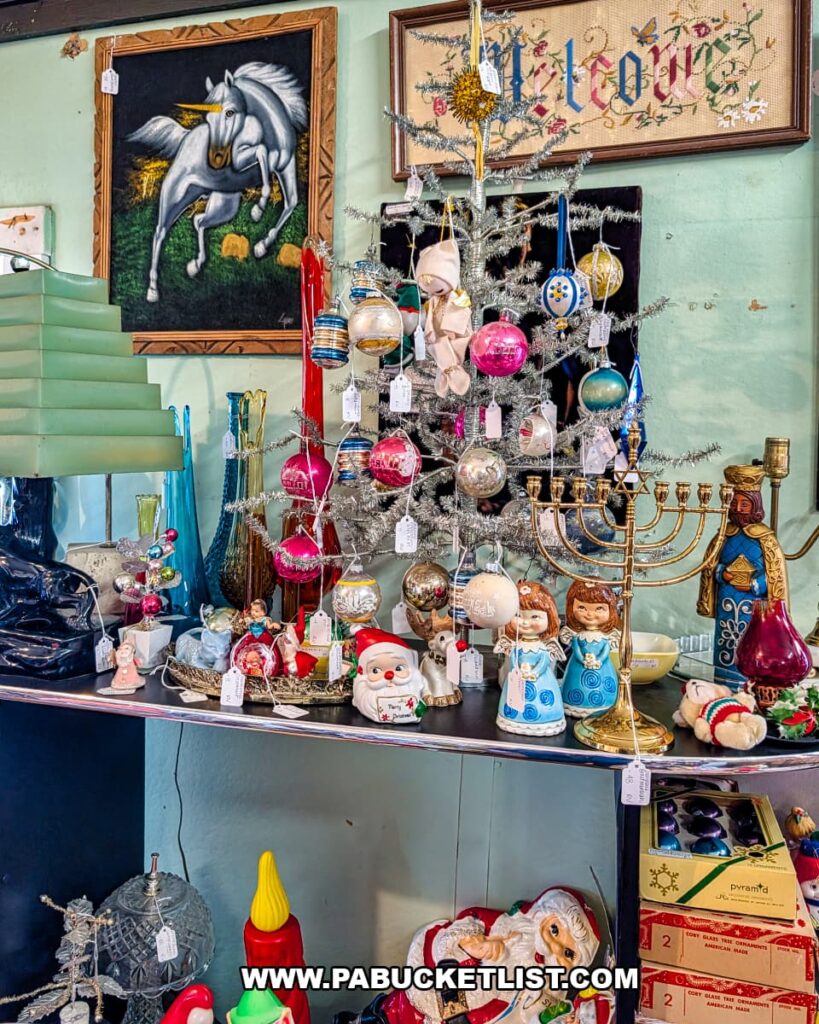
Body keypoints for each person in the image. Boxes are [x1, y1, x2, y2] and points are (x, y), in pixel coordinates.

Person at [697, 465, 788, 688]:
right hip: (726, 599)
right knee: (725, 638)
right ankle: (723, 680)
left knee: (751, 641)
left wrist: (754, 584)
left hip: (753, 602)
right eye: (734, 503)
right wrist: (722, 573)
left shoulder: (765, 539)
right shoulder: (724, 535)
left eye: (744, 504)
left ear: (755, 505)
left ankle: (748, 683)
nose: (738, 509)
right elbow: (711, 565)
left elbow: (774, 574)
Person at [495, 581, 565, 736]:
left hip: (539, 679)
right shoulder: (516, 645)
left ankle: (546, 718)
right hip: (518, 678)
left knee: (543, 702)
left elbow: (544, 661)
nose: (525, 622)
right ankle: (512, 716)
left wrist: (535, 672)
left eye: (535, 616)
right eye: (518, 616)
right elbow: (514, 658)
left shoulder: (543, 647)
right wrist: (518, 668)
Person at [560, 581, 621, 718]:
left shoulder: (604, 638)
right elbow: (576, 650)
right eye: (582, 607)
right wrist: (583, 660)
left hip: (601, 667)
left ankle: (605, 703)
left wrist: (599, 660)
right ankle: (574, 703)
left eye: (599, 609)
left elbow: (605, 651)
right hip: (578, 667)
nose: (590, 614)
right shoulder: (578, 637)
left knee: (604, 688)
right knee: (575, 684)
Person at [352, 628, 425, 725]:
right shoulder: (365, 695)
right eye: (375, 670)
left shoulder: (414, 686)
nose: (389, 675)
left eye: (398, 668)